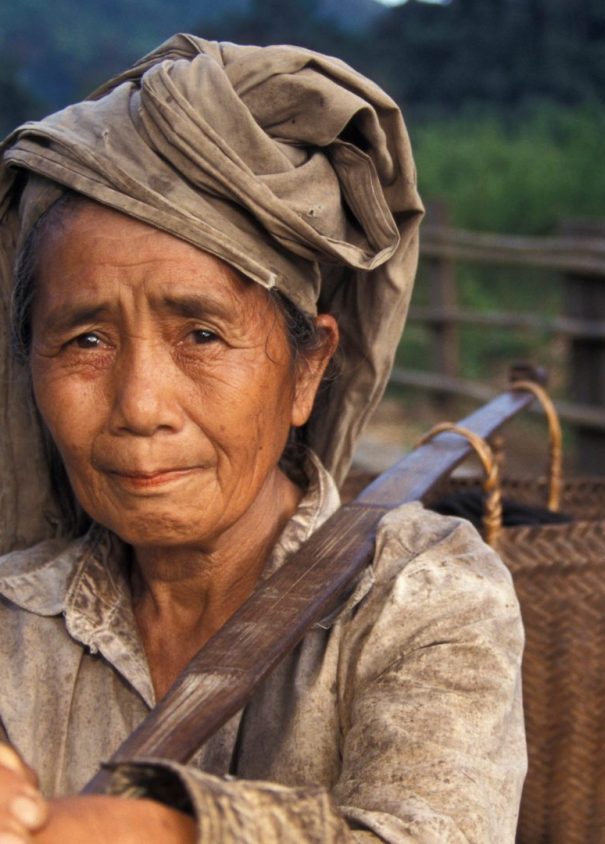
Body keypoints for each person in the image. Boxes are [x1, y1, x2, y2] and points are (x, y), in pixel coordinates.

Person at [0, 34, 527, 843]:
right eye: (85, 342)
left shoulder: (420, 597)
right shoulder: (13, 622)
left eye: (202, 336)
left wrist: (131, 830)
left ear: (308, 367)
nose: (140, 406)